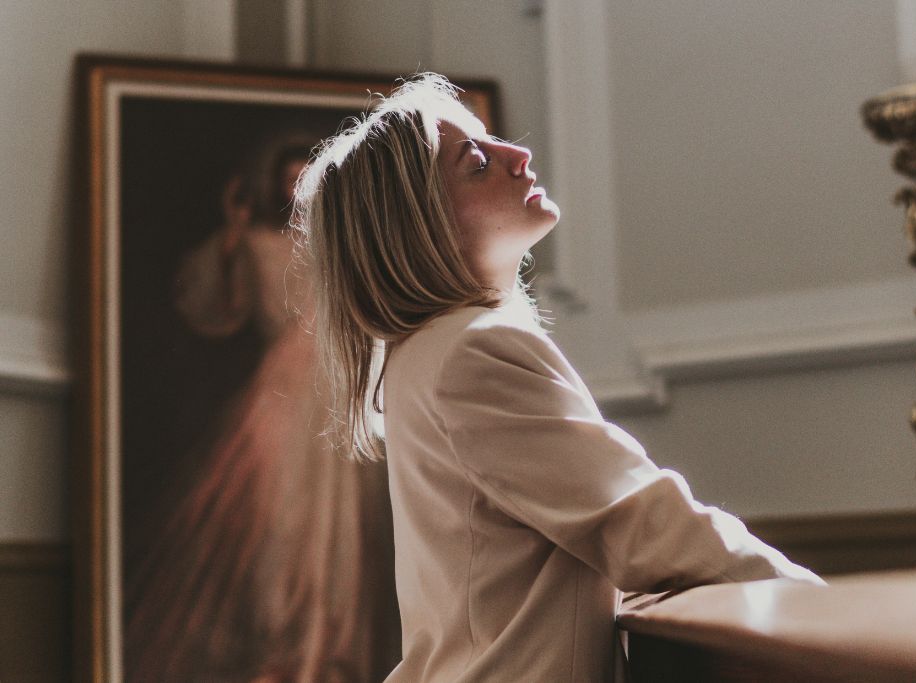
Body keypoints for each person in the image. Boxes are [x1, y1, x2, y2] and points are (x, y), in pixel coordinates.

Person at [292, 74, 822, 683]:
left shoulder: (423, 355)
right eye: (477, 162)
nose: (519, 155)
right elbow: (643, 521)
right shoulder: (475, 350)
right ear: (420, 225)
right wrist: (826, 609)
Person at [124, 136, 400, 682]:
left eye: (308, 178)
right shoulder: (256, 243)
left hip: (341, 392)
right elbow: (212, 301)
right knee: (278, 521)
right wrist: (230, 232)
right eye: (290, 179)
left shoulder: (343, 249)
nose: (298, 188)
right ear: (276, 186)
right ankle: (277, 648)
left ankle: (328, 654)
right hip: (282, 391)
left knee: (341, 530)